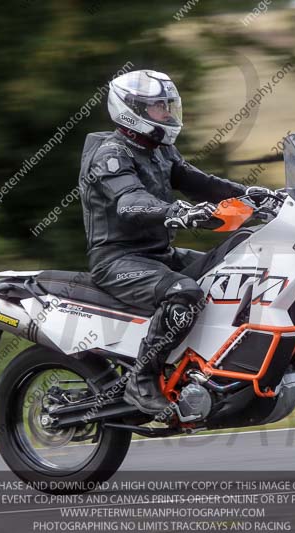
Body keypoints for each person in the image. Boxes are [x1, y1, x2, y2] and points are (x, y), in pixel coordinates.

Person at [78, 69, 278, 415]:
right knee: (183, 293)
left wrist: (255, 196)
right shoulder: (110, 155)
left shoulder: (158, 150)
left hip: (158, 254)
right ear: (132, 109)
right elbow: (129, 202)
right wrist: (178, 212)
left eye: (169, 106)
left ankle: (206, 371)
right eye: (159, 107)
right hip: (117, 261)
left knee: (231, 273)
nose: (168, 114)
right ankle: (143, 380)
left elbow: (199, 182)